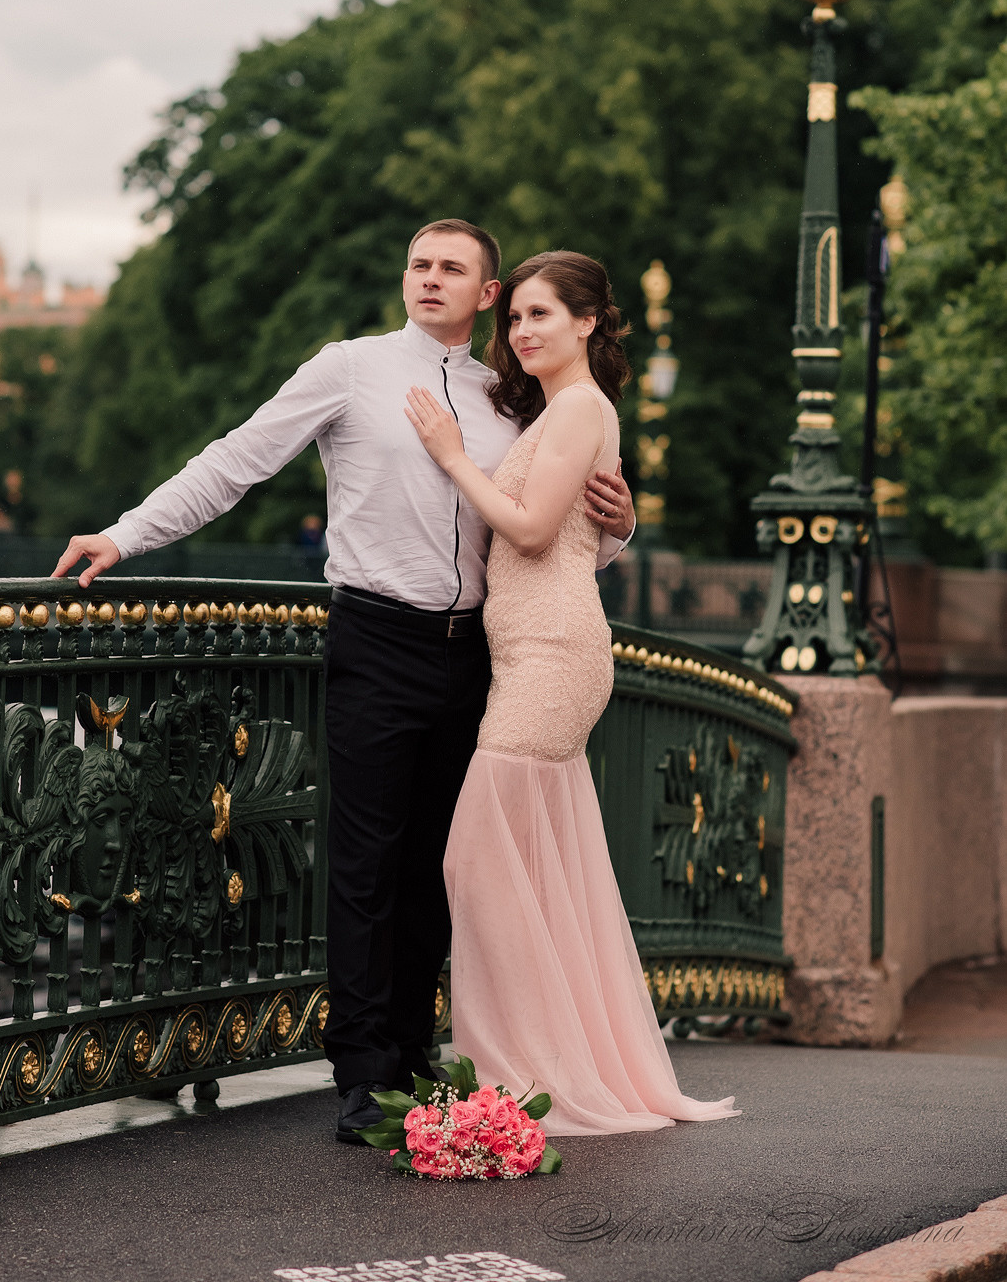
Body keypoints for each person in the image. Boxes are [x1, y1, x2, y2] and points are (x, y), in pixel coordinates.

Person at [52, 219, 636, 1141]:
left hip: (483, 653)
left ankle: (417, 1059)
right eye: (419, 265)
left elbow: (552, 538)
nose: (430, 280)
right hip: (377, 636)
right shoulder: (350, 368)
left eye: (453, 269)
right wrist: (124, 534)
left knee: (440, 869)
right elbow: (236, 462)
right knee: (365, 865)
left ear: (488, 293)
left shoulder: (509, 400)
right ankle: (363, 1074)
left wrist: (623, 525)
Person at [404, 250, 738, 1136]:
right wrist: (619, 528)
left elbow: (529, 525)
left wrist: (448, 455)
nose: (520, 332)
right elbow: (575, 540)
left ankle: (521, 1077)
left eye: (539, 315)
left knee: (472, 859)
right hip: (529, 655)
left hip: (553, 659)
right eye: (512, 318)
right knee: (537, 870)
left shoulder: (582, 408)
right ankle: (549, 1069)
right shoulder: (562, 412)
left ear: (588, 322)